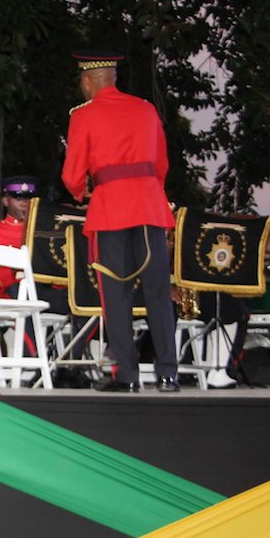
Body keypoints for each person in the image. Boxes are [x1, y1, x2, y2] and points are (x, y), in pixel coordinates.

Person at [61, 49, 179, 392]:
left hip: (111, 207)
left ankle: (127, 375)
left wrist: (78, 191)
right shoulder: (145, 108)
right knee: (157, 292)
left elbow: (72, 174)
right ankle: (168, 374)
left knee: (116, 294)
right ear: (114, 78)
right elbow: (161, 165)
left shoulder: (84, 115)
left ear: (87, 81)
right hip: (149, 207)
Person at [0, 175, 93, 385]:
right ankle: (38, 365)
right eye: (17, 197)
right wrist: (17, 273)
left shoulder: (46, 229)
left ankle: (66, 364)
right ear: (5, 201)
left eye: (28, 197)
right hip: (11, 295)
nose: (24, 202)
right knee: (24, 293)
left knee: (89, 298)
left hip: (45, 293)